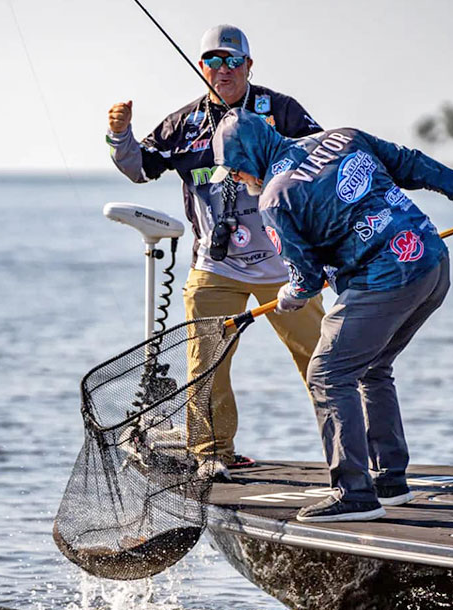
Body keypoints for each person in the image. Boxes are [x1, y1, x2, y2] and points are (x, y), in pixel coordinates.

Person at [210, 108, 453, 521]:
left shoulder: (276, 198)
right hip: (432, 263)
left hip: (387, 280)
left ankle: (353, 494)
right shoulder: (343, 136)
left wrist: (289, 296)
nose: (237, 179)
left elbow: (306, 279)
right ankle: (389, 481)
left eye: (234, 170)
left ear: (248, 157)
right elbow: (414, 164)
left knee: (327, 374)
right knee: (373, 366)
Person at [105, 25, 325, 478]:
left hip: (286, 264)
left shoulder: (281, 110)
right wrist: (119, 135)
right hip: (215, 263)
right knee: (204, 363)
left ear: (248, 65)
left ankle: (357, 452)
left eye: (232, 61)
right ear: (202, 67)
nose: (223, 69)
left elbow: (321, 158)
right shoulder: (182, 123)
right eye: (213, 61)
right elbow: (142, 168)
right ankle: (211, 453)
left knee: (324, 358)